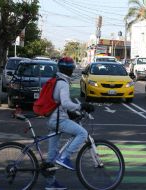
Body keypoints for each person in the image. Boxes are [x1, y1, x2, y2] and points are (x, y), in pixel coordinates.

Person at [44, 56, 94, 190]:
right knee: (82, 133)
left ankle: (50, 184)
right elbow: (66, 103)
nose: (73, 71)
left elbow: (60, 104)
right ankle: (65, 157)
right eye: (72, 69)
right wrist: (81, 106)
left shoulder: (57, 80)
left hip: (52, 119)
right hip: (58, 121)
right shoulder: (63, 83)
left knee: (52, 153)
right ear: (68, 70)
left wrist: (73, 113)